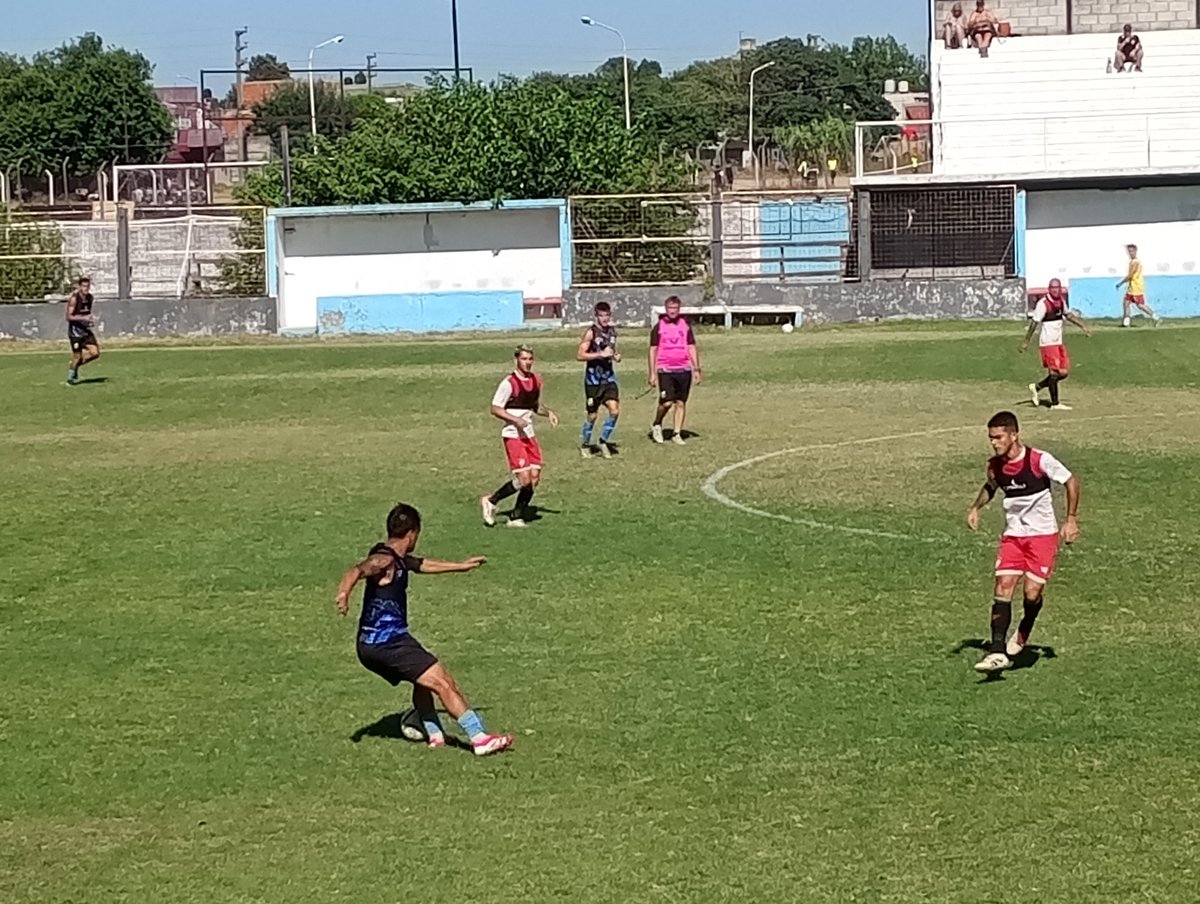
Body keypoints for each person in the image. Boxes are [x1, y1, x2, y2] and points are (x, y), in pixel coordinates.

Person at [334, 502, 513, 756]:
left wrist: (460, 566)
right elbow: (357, 570)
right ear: (412, 533)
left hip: (376, 644)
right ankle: (479, 738)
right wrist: (344, 592)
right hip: (387, 642)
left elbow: (421, 564)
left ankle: (435, 735)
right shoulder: (384, 560)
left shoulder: (396, 556)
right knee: (442, 681)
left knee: (423, 679)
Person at [966, 411, 1081, 673]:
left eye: (998, 437)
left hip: (1042, 537)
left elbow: (1071, 481)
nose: (994, 443)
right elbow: (991, 486)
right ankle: (997, 652)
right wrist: (976, 508)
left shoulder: (1039, 460)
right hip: (1014, 536)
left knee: (1032, 593)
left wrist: (1071, 519)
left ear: (1014, 435)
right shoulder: (995, 466)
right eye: (991, 438)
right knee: (1003, 585)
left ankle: (1025, 626)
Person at [480, 345, 559, 528]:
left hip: (528, 435)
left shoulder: (536, 381)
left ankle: (516, 517)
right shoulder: (508, 383)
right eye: (524, 359)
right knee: (523, 478)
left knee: (534, 478)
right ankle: (491, 501)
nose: (528, 362)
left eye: (530, 359)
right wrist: (515, 419)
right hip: (513, 434)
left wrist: (549, 413)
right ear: (516, 359)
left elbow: (535, 406)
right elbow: (495, 408)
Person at [1021, 278, 1090, 411]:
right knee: (1053, 373)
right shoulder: (1043, 304)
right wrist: (1026, 341)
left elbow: (1068, 315)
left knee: (1063, 373)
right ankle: (1055, 403)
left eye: (1057, 287)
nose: (1055, 290)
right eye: (1053, 287)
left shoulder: (1061, 302)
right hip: (1047, 342)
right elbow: (1034, 323)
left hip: (1058, 342)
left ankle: (1037, 387)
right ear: (1049, 288)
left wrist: (1083, 326)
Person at [648, 296, 701, 445]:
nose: (673, 311)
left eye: (675, 308)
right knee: (666, 402)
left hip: (684, 368)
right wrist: (652, 372)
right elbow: (653, 350)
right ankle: (657, 423)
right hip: (665, 369)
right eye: (670, 308)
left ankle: (676, 433)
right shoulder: (659, 327)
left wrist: (696, 368)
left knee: (680, 402)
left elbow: (691, 346)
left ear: (679, 309)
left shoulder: (685, 325)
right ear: (666, 309)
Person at [577, 301, 621, 459]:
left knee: (614, 411)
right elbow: (580, 355)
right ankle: (585, 444)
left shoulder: (613, 332)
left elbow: (610, 350)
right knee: (592, 415)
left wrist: (615, 356)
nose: (604, 318)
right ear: (596, 316)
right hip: (593, 381)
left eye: (607, 315)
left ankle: (603, 441)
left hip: (608, 379)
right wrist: (599, 355)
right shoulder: (591, 333)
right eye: (601, 315)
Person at [65, 276, 100, 385]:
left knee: (95, 353)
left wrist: (89, 320)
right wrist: (83, 318)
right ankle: (71, 378)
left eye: (88, 286)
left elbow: (86, 313)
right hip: (75, 332)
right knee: (77, 355)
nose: (86, 288)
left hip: (85, 330)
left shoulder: (90, 298)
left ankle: (75, 366)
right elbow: (69, 317)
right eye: (84, 286)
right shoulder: (74, 299)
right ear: (80, 287)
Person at [1116, 243, 1161, 327]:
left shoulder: (1135, 262)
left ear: (1136, 251)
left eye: (1132, 251)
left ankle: (1156, 317)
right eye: (1129, 251)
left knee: (1140, 305)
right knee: (1126, 303)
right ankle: (1126, 322)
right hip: (1131, 287)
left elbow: (1130, 275)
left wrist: (1121, 283)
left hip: (1136, 287)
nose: (1130, 253)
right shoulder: (1132, 262)